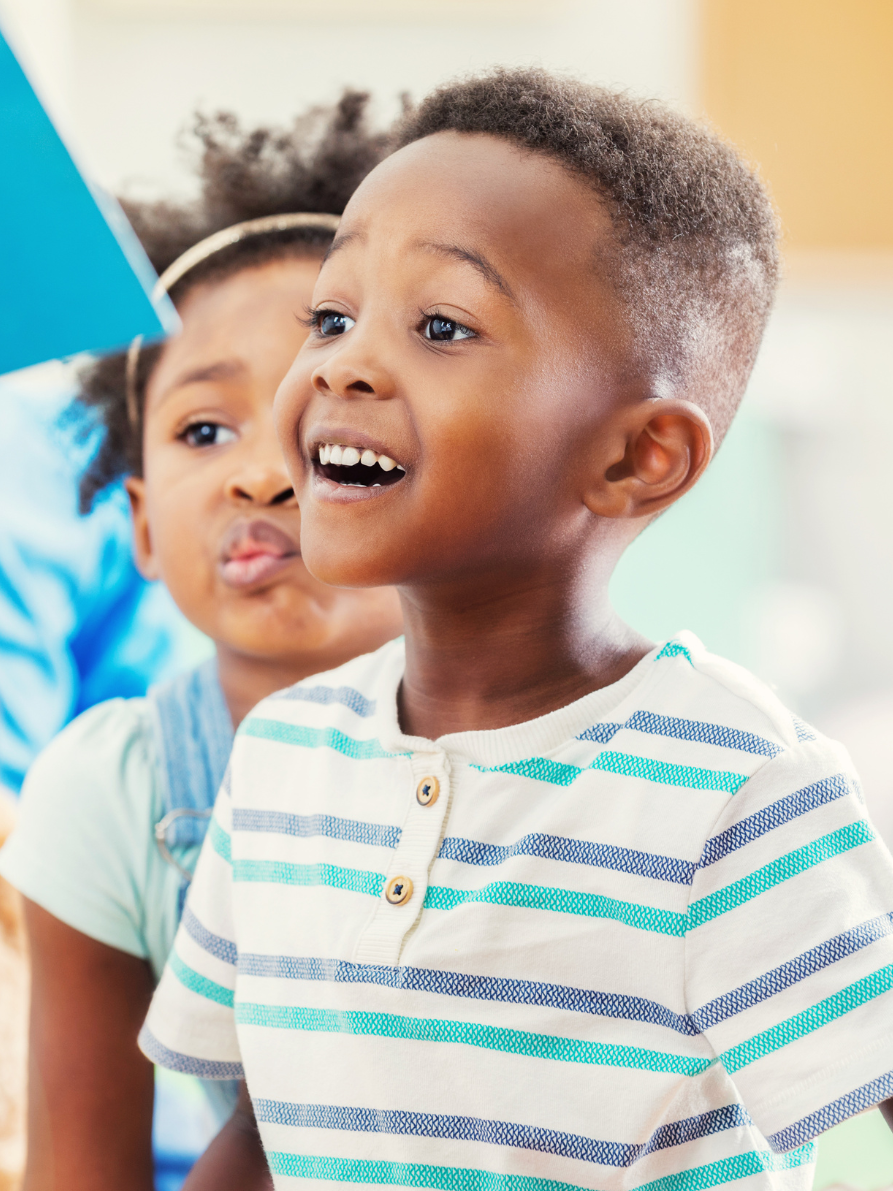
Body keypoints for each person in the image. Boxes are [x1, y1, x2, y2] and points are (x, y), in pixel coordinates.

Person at [141, 68, 893, 1190]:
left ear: (637, 459)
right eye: (332, 317)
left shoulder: (734, 788)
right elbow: (263, 1132)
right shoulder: (283, 759)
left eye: (440, 325)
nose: (342, 362)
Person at [0, 92, 403, 1191]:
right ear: (134, 521)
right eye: (202, 430)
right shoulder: (114, 793)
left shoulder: (602, 756)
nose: (261, 472)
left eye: (318, 417)